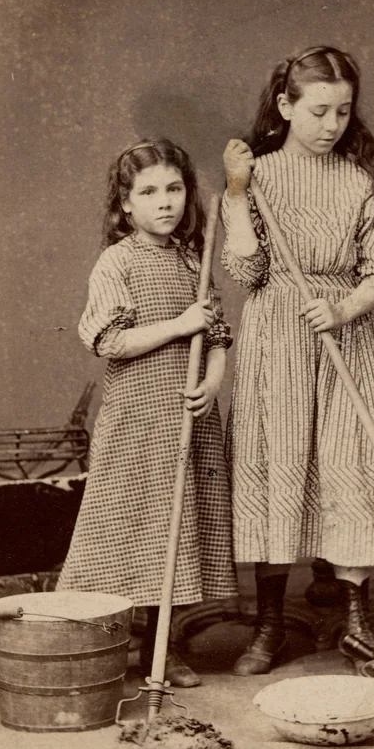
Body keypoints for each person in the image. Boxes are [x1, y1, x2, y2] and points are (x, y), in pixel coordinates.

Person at [221, 46, 374, 675]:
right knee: (277, 467)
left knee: (347, 467)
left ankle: (357, 621)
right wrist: (236, 194)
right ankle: (270, 625)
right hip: (276, 339)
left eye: (343, 111)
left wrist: (343, 309)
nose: (332, 124)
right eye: (318, 110)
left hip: (343, 342)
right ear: (285, 107)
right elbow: (247, 271)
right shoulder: (261, 177)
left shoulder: (361, 181)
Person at [58, 138, 236, 688]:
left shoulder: (193, 259)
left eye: (175, 188)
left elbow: (219, 335)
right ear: (125, 205)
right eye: (149, 191)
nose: (166, 202)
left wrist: (211, 381)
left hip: (188, 418)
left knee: (174, 531)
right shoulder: (118, 262)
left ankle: (164, 647)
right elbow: (109, 341)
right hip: (137, 421)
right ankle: (96, 642)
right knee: (123, 528)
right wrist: (180, 326)